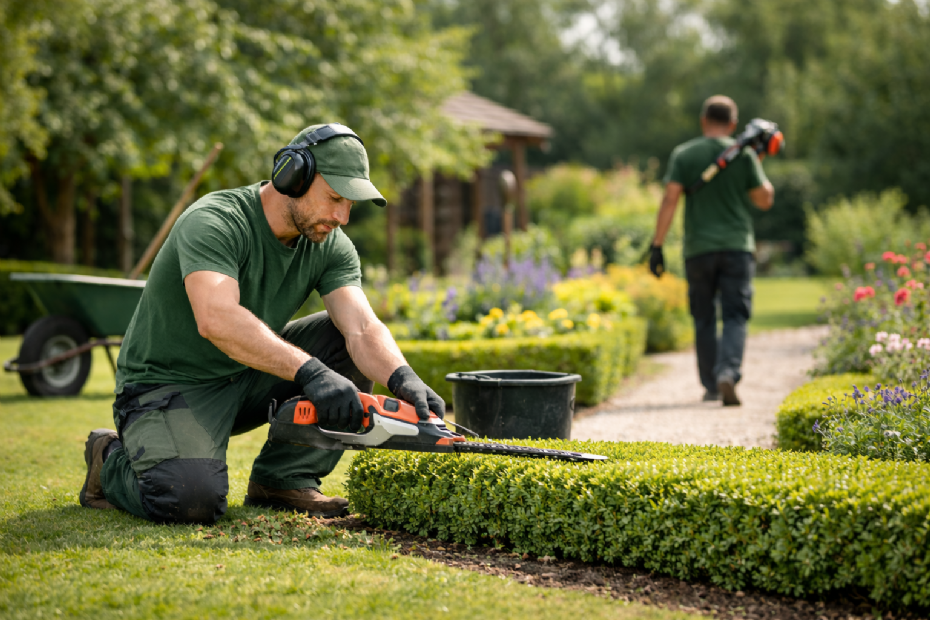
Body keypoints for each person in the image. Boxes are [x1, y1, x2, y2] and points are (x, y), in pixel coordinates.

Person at [79, 123, 445, 524]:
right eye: (334, 197)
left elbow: (360, 327)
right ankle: (108, 458)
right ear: (293, 176)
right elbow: (216, 319)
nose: (341, 216)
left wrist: (403, 377)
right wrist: (310, 372)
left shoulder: (329, 245)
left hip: (246, 377)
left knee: (340, 338)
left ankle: (284, 479)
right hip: (166, 386)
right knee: (190, 499)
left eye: (350, 204)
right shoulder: (215, 221)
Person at [648, 96, 775, 406]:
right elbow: (765, 200)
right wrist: (757, 159)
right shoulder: (743, 155)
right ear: (733, 125)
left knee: (703, 317)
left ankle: (711, 385)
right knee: (734, 315)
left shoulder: (684, 154)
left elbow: (670, 199)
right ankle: (728, 373)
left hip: (698, 249)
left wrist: (657, 246)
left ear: (703, 121)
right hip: (736, 248)